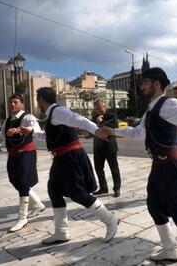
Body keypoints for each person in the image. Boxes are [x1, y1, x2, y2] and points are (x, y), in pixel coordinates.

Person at [98, 67, 177, 265]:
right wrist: (112, 131)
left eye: (145, 83)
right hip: (158, 167)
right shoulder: (152, 107)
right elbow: (139, 133)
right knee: (155, 207)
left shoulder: (169, 104)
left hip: (171, 167)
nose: (141, 86)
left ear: (156, 84)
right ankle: (170, 251)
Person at [19, 87, 118, 244]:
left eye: (38, 100)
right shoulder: (52, 115)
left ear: (42, 100)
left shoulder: (57, 111)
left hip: (70, 157)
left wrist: (96, 130)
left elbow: (78, 119)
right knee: (54, 190)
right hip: (61, 158)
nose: (37, 104)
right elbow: (50, 137)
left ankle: (109, 219)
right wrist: (30, 132)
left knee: (77, 194)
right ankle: (61, 231)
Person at [0, 94, 45, 232]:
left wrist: (19, 130)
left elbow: (37, 132)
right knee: (15, 181)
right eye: (10, 102)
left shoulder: (29, 118)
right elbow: (0, 137)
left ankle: (22, 218)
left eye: (15, 102)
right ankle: (38, 205)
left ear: (22, 104)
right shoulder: (8, 120)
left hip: (26, 154)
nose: (12, 105)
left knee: (23, 183)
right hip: (13, 155)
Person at [92, 100, 121, 197]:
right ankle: (103, 188)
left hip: (109, 146)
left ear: (105, 107)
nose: (98, 110)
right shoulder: (94, 117)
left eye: (99, 108)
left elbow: (115, 128)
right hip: (98, 147)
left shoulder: (111, 116)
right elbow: (92, 129)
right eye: (96, 108)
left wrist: (102, 122)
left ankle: (116, 188)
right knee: (98, 169)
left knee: (114, 169)